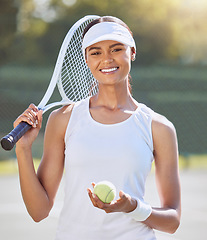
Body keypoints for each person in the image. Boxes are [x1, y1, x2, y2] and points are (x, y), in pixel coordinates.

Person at [14, 16, 181, 240]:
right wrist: (23, 149)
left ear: (132, 52)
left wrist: (132, 207)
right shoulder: (63, 119)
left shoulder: (159, 127)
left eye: (116, 49)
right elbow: (38, 211)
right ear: (86, 59)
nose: (107, 59)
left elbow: (172, 221)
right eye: (96, 52)